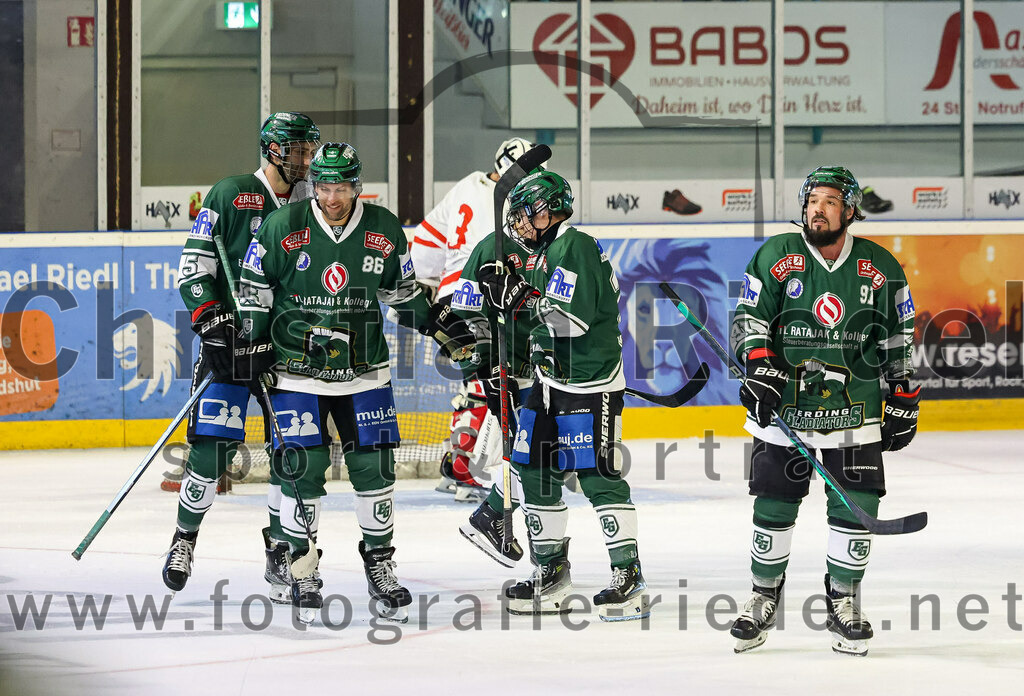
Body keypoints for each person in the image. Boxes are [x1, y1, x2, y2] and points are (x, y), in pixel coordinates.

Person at [236, 142, 475, 624]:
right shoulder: (283, 227)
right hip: (296, 373)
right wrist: (250, 343)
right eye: (324, 187)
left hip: (366, 372)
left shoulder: (384, 230)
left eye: (342, 187)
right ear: (313, 186)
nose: (333, 197)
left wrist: (435, 324)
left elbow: (402, 294)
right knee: (302, 469)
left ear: (356, 186)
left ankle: (380, 567)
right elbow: (252, 293)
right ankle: (302, 569)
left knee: (375, 470)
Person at [728, 165, 920, 656]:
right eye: (813, 200)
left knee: (857, 508)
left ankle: (843, 603)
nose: (818, 209)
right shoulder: (776, 255)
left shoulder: (879, 266)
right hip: (786, 407)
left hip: (855, 411)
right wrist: (757, 368)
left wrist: (902, 394)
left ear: (850, 210)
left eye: (831, 201)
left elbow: (898, 334)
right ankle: (762, 597)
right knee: (773, 503)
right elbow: (748, 318)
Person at [476, 170, 650, 622]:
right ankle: (550, 572)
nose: (517, 225)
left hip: (588, 383)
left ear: (548, 211)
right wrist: (505, 300)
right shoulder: (545, 253)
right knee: (531, 468)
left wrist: (516, 300)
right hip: (548, 382)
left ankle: (628, 577)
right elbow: (535, 313)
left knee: (596, 476)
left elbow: (566, 321)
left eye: (524, 215)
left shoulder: (574, 246)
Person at [164, 111, 321, 602]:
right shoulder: (230, 193)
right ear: (272, 150)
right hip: (232, 346)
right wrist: (212, 322)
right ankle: (184, 539)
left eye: (308, 149)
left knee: (290, 454)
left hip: (286, 351)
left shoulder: (315, 206)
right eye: (296, 149)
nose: (305, 158)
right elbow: (194, 265)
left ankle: (279, 547)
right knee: (211, 450)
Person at [411, 136, 537, 502]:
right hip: (483, 299)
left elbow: (425, 243)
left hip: (449, 303)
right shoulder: (516, 201)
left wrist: (430, 291)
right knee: (490, 382)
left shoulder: (466, 186)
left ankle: (457, 466)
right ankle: (468, 472)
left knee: (477, 381)